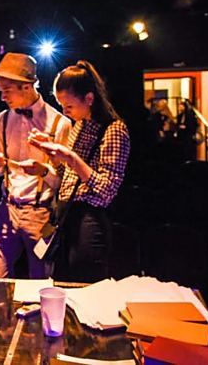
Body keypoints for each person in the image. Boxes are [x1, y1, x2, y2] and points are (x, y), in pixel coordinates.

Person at [29, 60, 130, 283]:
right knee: (61, 284)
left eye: (69, 106)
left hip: (90, 219)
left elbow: (107, 190)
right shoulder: (80, 125)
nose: (64, 112)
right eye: (61, 105)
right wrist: (51, 155)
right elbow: (68, 177)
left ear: (89, 98)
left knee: (84, 285)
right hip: (66, 213)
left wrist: (71, 158)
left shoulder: (114, 130)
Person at [0, 52, 71, 279]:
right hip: (7, 210)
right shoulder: (2, 119)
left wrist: (43, 171)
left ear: (26, 86)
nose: (2, 97)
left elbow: (64, 182)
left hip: (40, 213)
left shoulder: (59, 123)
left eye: (7, 90)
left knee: (40, 282)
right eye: (0, 90)